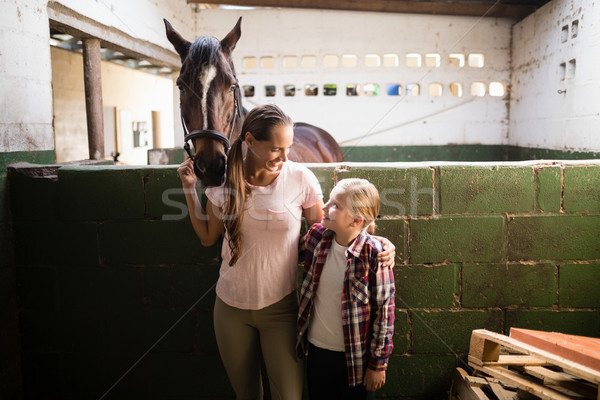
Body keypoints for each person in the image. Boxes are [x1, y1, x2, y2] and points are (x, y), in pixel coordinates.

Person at [178, 104, 395, 400]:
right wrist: (189, 189)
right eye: (276, 149)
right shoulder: (225, 179)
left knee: (289, 396)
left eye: (288, 148)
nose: (284, 157)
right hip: (230, 309)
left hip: (281, 310)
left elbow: (331, 232)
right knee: (247, 395)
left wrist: (377, 241)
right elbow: (207, 237)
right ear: (250, 141)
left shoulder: (300, 178)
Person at [296, 178, 395, 400]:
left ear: (356, 220)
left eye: (335, 205)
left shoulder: (374, 255)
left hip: (357, 358)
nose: (324, 207)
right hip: (318, 352)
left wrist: (378, 364)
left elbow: (385, 313)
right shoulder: (316, 237)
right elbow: (285, 251)